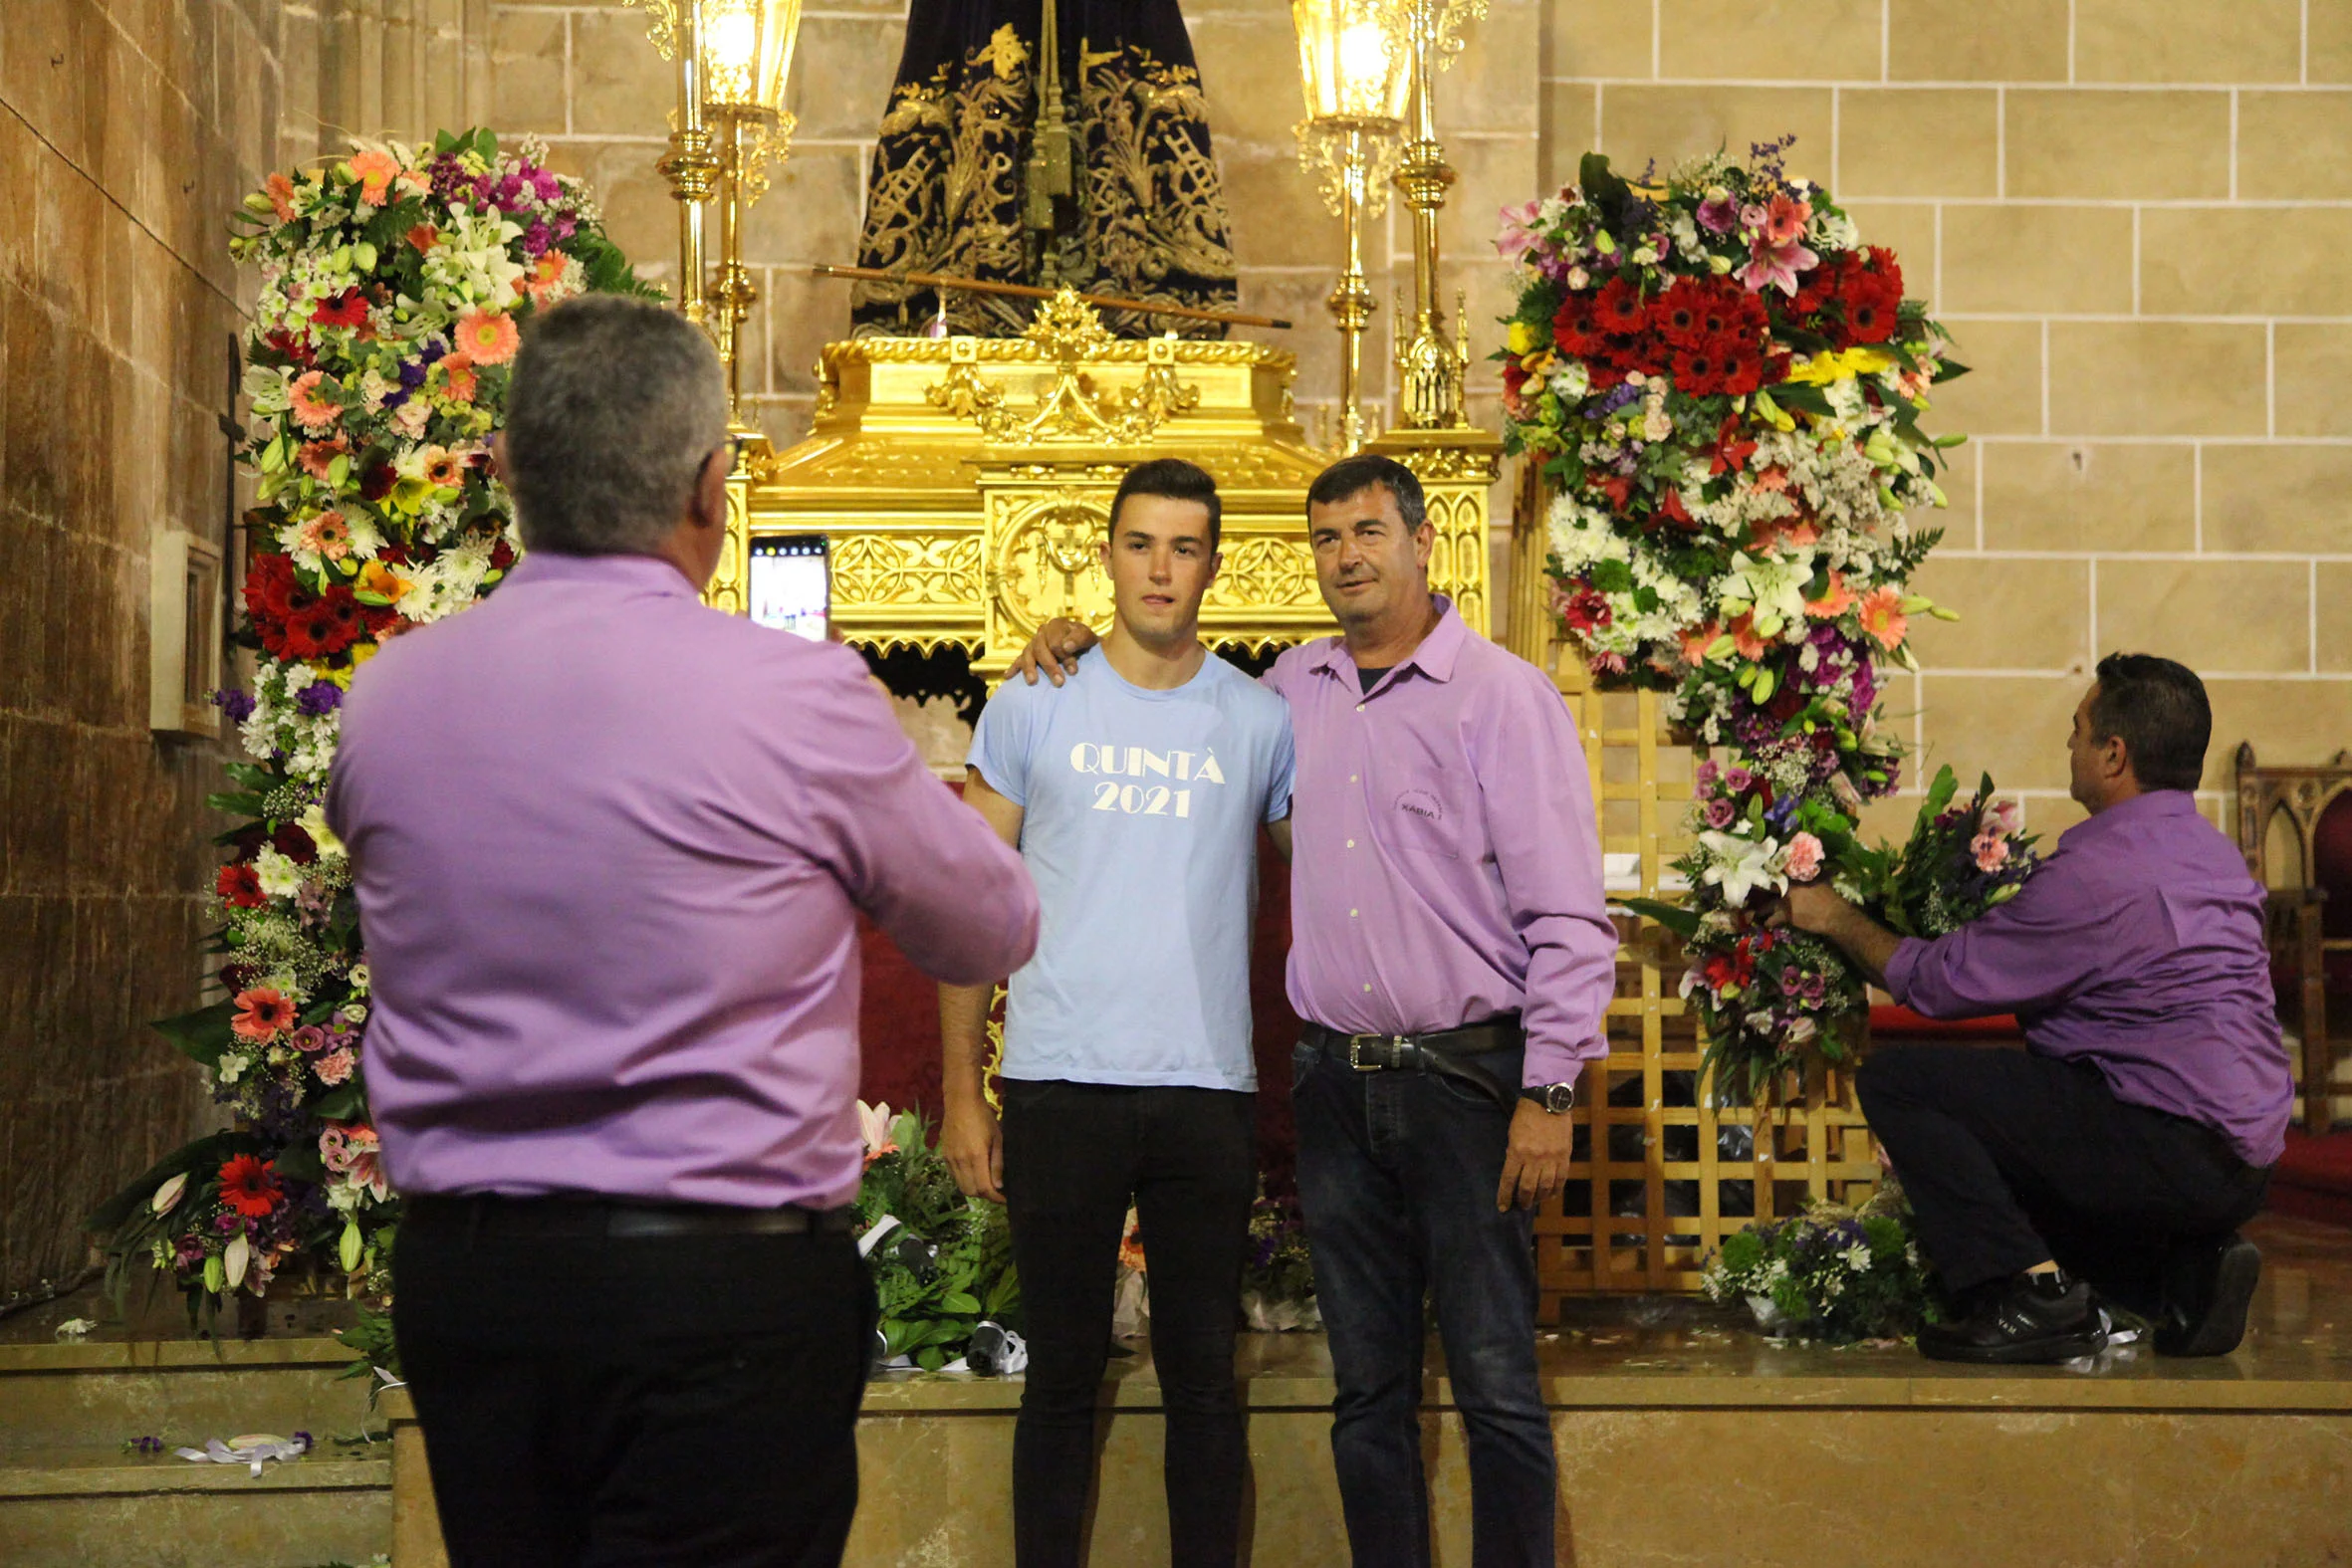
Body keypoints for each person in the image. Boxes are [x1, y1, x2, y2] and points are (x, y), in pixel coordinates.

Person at [328, 295, 1041, 1568]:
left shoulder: (388, 701)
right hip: (720, 1298)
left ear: (508, 478)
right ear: (713, 488)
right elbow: (989, 922)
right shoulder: (795, 697)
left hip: (475, 1288)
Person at [1016, 453, 1618, 1568]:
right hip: (1338, 1083)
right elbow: (1168, 690)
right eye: (1327, 538)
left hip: (1470, 1079)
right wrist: (1063, 642)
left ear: (1422, 540)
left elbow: (1571, 917)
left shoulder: (1501, 696)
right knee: (1365, 1393)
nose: (1347, 556)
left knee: (1493, 1383)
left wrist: (1547, 1086)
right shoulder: (1291, 689)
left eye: (1368, 532)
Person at [940, 458, 1294, 1568]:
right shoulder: (1037, 698)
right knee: (1059, 1379)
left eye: (1184, 547)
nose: (1160, 568)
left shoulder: (1257, 717)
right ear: (1105, 556)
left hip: (1203, 1093)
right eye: (1140, 543)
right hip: (1061, 1082)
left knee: (1202, 1383)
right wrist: (963, 1093)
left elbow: (1335, 884)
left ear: (1214, 567)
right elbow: (965, 904)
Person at [1774, 654, 2289, 1365]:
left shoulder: (2101, 873)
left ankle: (2028, 1299)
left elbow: (1939, 983)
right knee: (2032, 1122)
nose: (2068, 746)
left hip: (2173, 1146)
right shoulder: (2215, 855)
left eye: (2078, 731)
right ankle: (2179, 1277)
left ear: (2115, 754)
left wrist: (1833, 916)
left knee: (1904, 1085)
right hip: (2248, 1163)